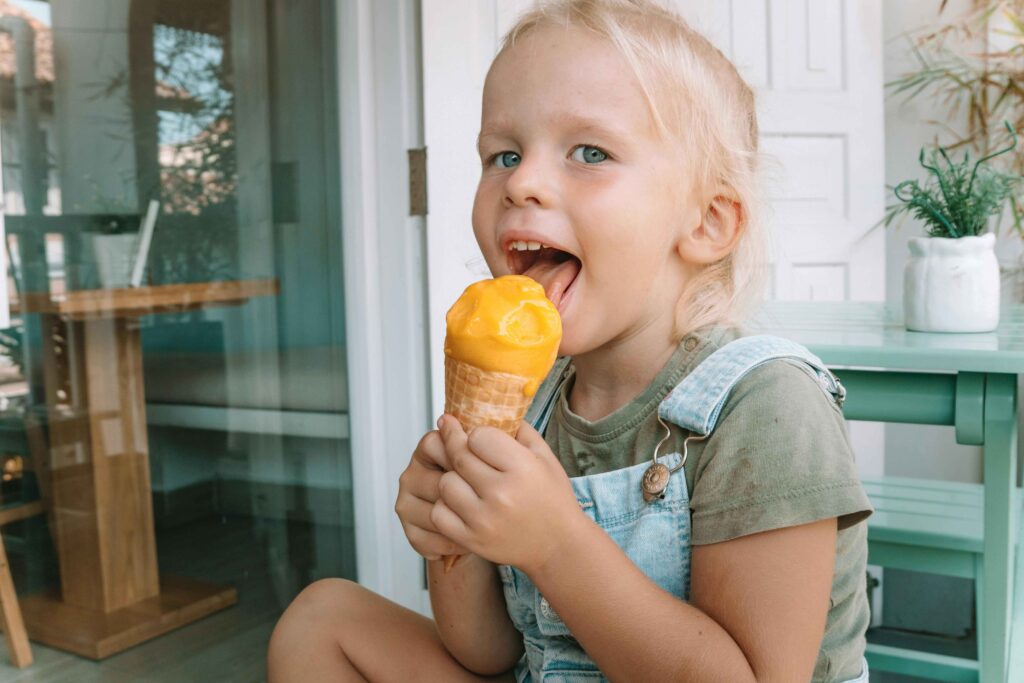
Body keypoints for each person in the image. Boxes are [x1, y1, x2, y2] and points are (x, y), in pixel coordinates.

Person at [267, 1, 873, 681]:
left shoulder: (766, 408)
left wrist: (555, 544)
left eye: (590, 152)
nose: (521, 181)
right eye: (503, 154)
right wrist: (453, 539)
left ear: (705, 221)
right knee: (324, 620)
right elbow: (487, 651)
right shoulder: (537, 403)